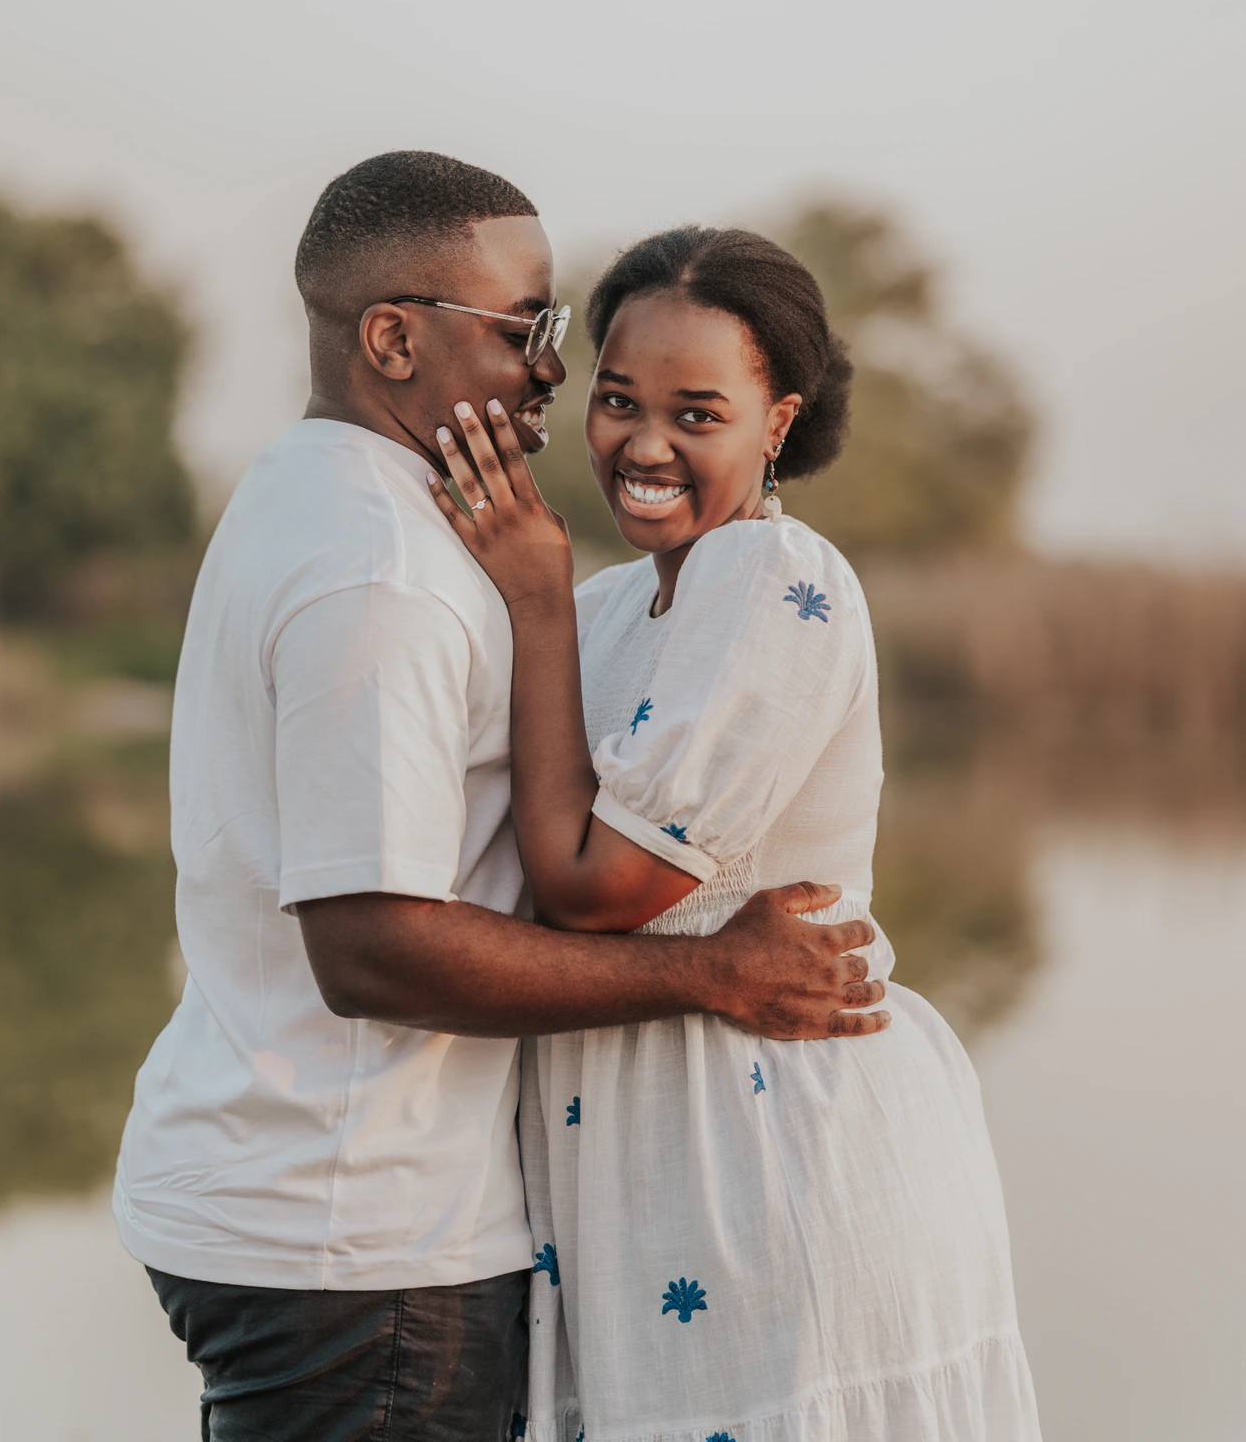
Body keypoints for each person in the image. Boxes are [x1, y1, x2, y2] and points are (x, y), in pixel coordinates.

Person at [113, 154, 888, 1442]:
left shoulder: (314, 497)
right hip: (356, 1229)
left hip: (343, 1201)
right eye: (528, 330)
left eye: (556, 330)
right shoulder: (386, 575)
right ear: (392, 339)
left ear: (776, 420)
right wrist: (710, 974)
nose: (550, 369)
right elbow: (372, 948)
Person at [427, 223, 1041, 1442]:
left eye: (695, 414)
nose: (643, 445)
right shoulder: (608, 604)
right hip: (642, 1153)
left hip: (764, 1153)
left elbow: (594, 892)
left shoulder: (774, 583)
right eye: (617, 400)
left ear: (777, 423)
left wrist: (532, 598)